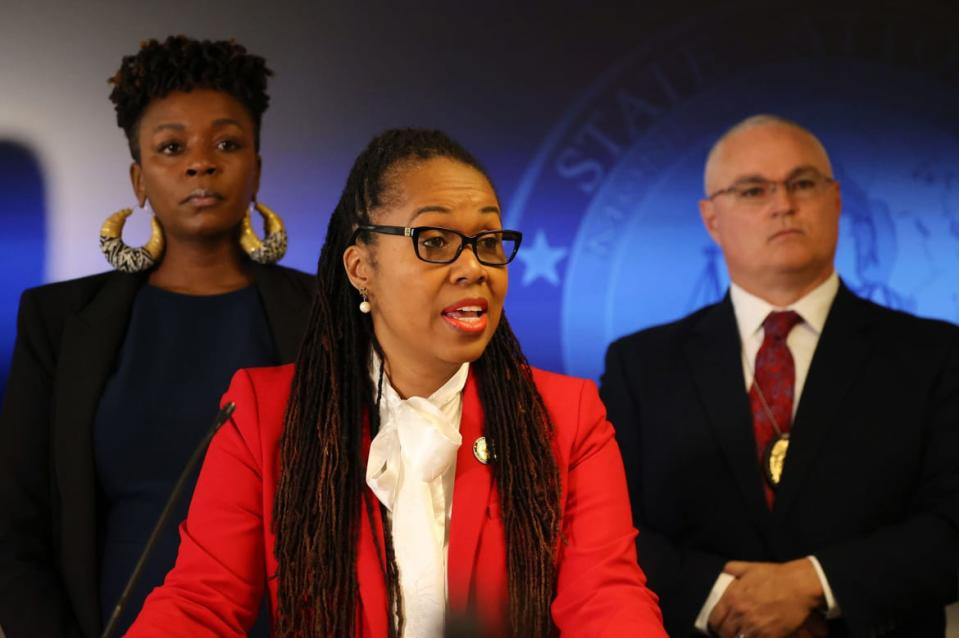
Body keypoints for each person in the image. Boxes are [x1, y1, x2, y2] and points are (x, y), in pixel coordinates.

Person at [125, 128, 667, 637]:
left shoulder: (566, 415)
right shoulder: (266, 413)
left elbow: (606, 600)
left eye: (488, 240)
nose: (473, 267)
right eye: (434, 240)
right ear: (361, 268)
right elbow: (202, 605)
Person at [0, 36, 314, 638]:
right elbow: (15, 528)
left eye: (227, 143)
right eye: (173, 148)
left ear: (257, 171)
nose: (202, 163)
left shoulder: (329, 315)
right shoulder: (59, 322)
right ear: (139, 179)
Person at [600, 114, 959, 638]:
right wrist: (718, 598)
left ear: (836, 200)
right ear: (711, 219)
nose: (783, 204)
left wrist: (817, 583)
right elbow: (607, 528)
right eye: (752, 190)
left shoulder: (937, 354)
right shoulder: (641, 365)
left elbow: (952, 524)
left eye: (803, 183)